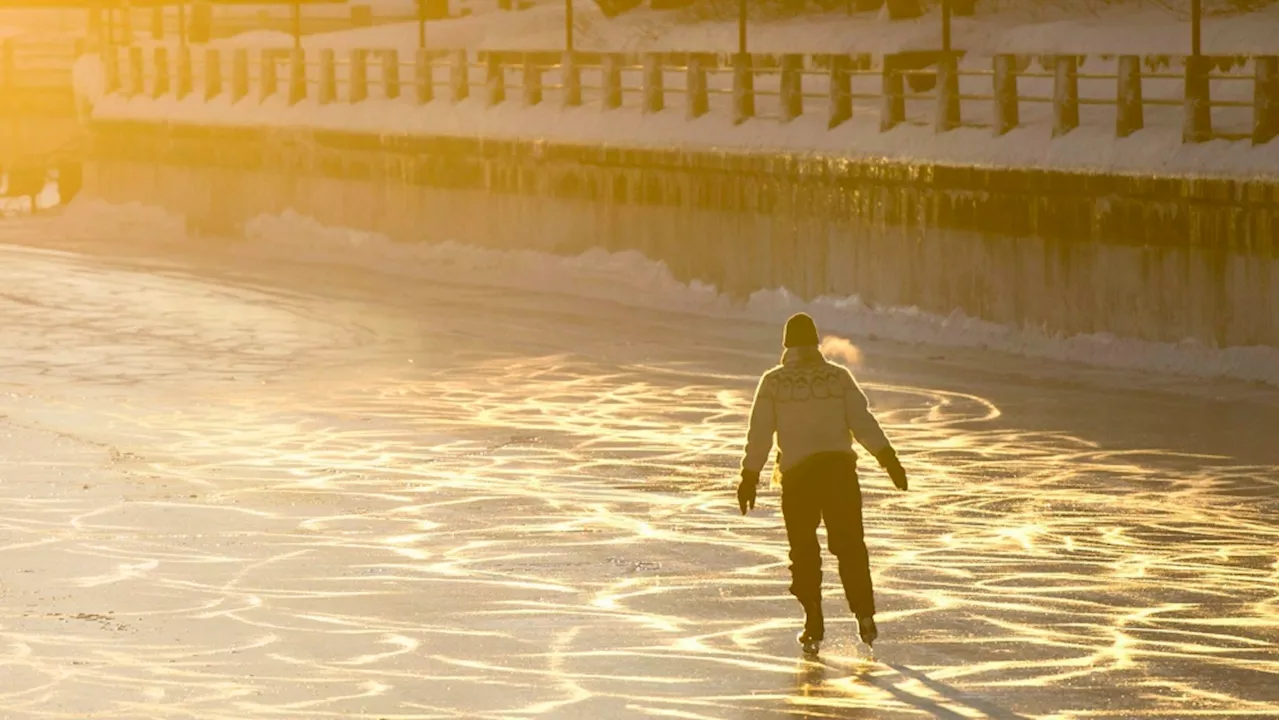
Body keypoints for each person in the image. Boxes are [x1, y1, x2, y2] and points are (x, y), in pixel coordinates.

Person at [737, 313, 908, 651]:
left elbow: (759, 434)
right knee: (850, 547)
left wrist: (749, 475)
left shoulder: (774, 382)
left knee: (804, 550)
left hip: (799, 478)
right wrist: (888, 458)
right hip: (839, 474)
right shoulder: (838, 377)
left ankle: (813, 618)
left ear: (786, 345)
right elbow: (862, 421)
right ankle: (864, 615)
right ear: (816, 343)